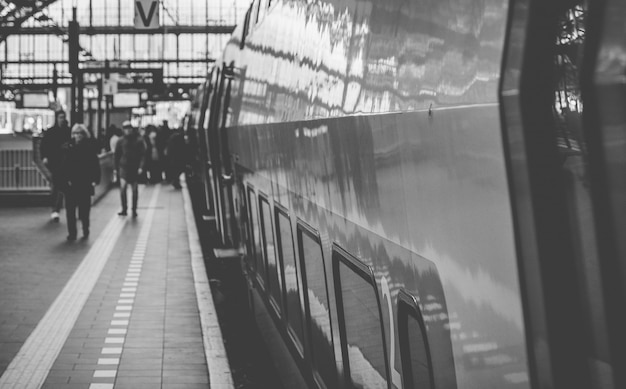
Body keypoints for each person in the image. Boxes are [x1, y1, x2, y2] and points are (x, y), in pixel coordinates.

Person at [60, 124, 100, 241]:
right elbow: (64, 166)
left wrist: (95, 179)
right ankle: (72, 233)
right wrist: (64, 180)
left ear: (84, 135)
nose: (77, 136)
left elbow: (94, 165)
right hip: (71, 183)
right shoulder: (68, 147)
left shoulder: (89, 147)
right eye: (75, 133)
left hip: (85, 182)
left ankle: (85, 228)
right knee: (70, 210)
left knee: (84, 209)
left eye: (80, 133)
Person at [40, 110, 71, 222]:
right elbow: (44, 146)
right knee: (57, 186)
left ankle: (60, 209)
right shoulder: (51, 132)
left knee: (60, 187)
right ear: (57, 118)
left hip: (67, 164)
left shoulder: (68, 131)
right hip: (56, 163)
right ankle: (56, 209)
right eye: (60, 117)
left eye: (63, 117)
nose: (62, 119)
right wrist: (45, 157)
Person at [114, 121, 146, 217]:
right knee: (123, 189)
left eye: (129, 128)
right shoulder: (120, 141)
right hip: (123, 168)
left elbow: (143, 155)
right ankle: (124, 208)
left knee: (134, 190)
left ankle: (134, 209)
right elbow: (116, 156)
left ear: (132, 129)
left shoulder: (139, 141)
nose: (128, 130)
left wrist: (141, 167)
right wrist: (116, 169)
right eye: (126, 129)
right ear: (123, 130)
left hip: (134, 168)